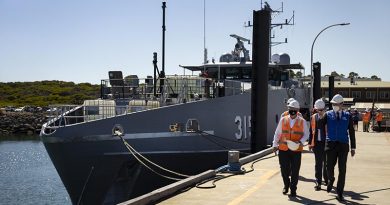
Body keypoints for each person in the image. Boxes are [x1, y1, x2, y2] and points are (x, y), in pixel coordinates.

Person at [272, 100, 309, 197]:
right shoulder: (283, 119)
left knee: (295, 170)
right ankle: (286, 185)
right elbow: (277, 133)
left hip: (296, 149)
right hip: (283, 149)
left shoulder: (302, 121)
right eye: (291, 110)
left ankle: (293, 189)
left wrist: (300, 142)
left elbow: (306, 134)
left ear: (298, 110)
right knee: (284, 169)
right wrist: (274, 145)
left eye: (294, 110)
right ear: (288, 110)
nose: (292, 111)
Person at [324, 94, 356, 202]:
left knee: (342, 170)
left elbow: (351, 132)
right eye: (333, 104)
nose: (335, 106)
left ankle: (340, 192)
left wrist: (353, 147)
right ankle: (331, 179)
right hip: (331, 145)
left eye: (337, 104)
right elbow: (319, 124)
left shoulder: (348, 116)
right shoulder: (327, 114)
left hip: (343, 146)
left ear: (342, 104)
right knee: (329, 167)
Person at [308, 99, 328, 191]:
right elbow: (311, 132)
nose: (319, 111)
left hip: (326, 143)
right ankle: (318, 182)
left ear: (324, 109)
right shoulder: (313, 117)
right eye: (318, 110)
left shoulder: (328, 117)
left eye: (321, 110)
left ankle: (326, 179)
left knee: (326, 163)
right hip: (316, 144)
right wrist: (309, 144)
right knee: (318, 164)